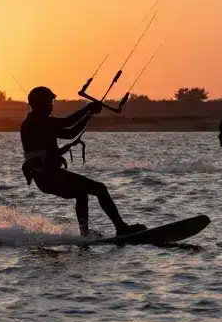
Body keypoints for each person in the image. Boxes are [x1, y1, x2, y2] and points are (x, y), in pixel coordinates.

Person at [20, 86, 145, 238]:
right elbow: (68, 123)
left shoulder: (31, 123)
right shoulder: (39, 123)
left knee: (81, 193)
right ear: (40, 104)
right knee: (100, 189)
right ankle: (121, 228)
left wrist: (89, 114)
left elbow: (70, 133)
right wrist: (87, 109)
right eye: (49, 102)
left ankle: (84, 234)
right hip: (49, 176)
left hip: (45, 178)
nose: (52, 105)